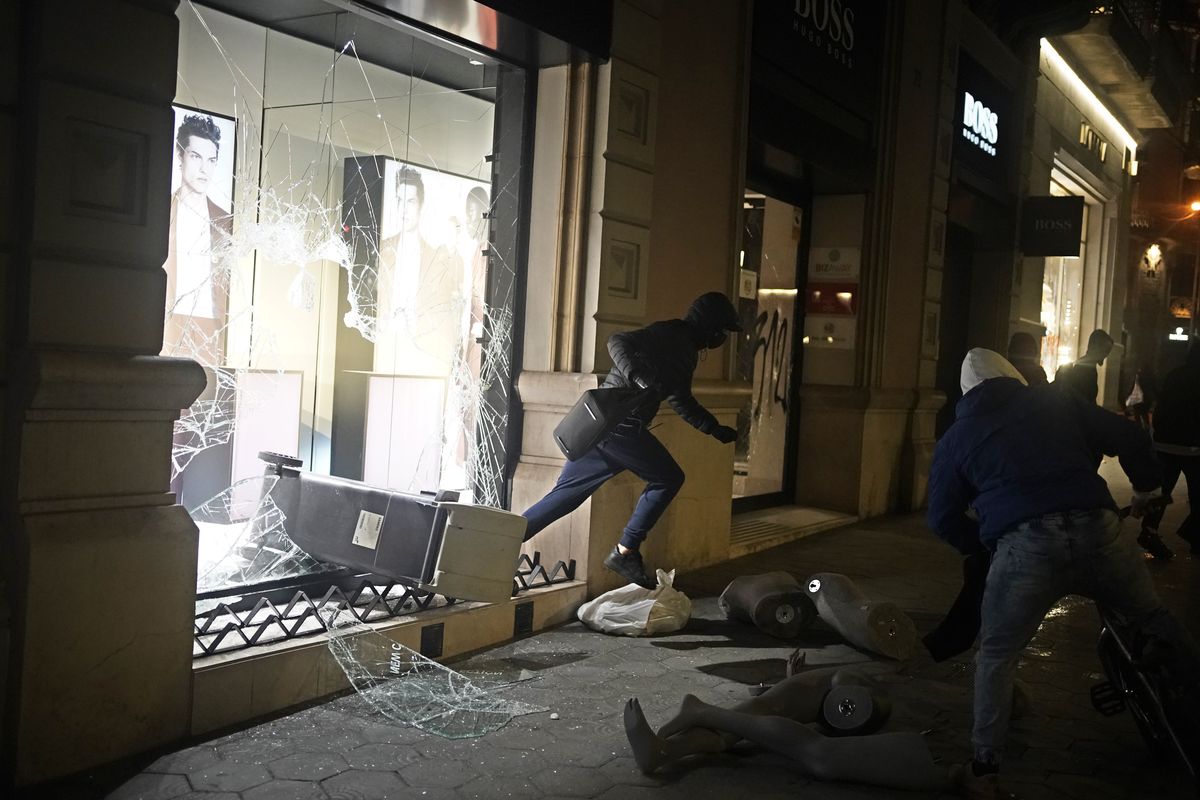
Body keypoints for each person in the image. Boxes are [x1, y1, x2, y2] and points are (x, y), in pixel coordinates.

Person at [928, 348, 1198, 799]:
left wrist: (985, 545)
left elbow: (942, 517)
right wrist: (1147, 488)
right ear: (1014, 378)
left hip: (1025, 548)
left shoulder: (958, 437)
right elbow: (1129, 437)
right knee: (1153, 616)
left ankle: (983, 770)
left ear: (966, 393)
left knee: (996, 655)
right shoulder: (1056, 402)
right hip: (1098, 531)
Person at [521, 292, 742, 588]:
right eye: (722, 331)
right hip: (621, 426)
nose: (722, 338)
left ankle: (502, 543)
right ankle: (625, 550)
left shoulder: (685, 348)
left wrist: (713, 428)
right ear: (710, 325)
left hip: (605, 430)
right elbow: (618, 341)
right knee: (668, 478)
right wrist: (638, 376)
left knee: (564, 498)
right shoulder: (669, 333)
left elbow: (680, 398)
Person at [622, 653, 951, 792]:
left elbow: (844, 687)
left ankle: (693, 714)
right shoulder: (872, 701)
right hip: (817, 716)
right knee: (729, 737)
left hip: (801, 708)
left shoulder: (862, 682)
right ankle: (664, 752)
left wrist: (800, 683)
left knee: (748, 717)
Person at [375, 165, 464, 376]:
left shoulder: (435, 260)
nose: (403, 209)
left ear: (421, 206)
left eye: (410, 201)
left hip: (421, 360)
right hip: (385, 355)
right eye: (399, 200)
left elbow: (444, 317)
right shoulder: (382, 252)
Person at [163, 113, 233, 363]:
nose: (205, 169)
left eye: (211, 160)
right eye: (196, 156)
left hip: (211, 329)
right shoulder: (162, 212)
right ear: (180, 156)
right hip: (167, 325)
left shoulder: (226, 221)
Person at [1139, 344, 1200, 558]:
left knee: (1162, 491)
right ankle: (1195, 537)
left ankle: (1149, 530)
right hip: (1192, 447)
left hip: (1165, 443)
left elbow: (1162, 405)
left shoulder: (1174, 375)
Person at [1053, 328, 1113, 403]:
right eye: (1106, 350)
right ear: (1097, 348)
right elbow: (1085, 400)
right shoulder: (1086, 370)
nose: (1106, 355)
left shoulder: (1085, 366)